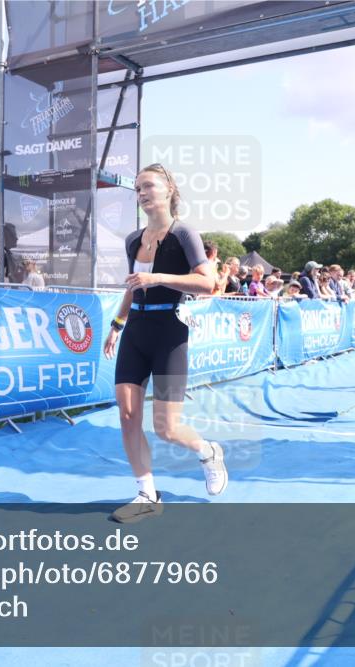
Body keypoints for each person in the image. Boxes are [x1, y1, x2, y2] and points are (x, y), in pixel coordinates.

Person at [102, 163, 226, 523]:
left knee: (167, 428)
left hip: (169, 331)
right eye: (137, 188)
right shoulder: (132, 240)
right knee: (127, 416)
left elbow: (209, 284)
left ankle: (207, 452)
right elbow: (133, 285)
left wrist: (156, 276)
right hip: (136, 329)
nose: (141, 193)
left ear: (169, 189)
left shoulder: (184, 233)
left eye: (149, 186)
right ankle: (146, 493)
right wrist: (117, 324)